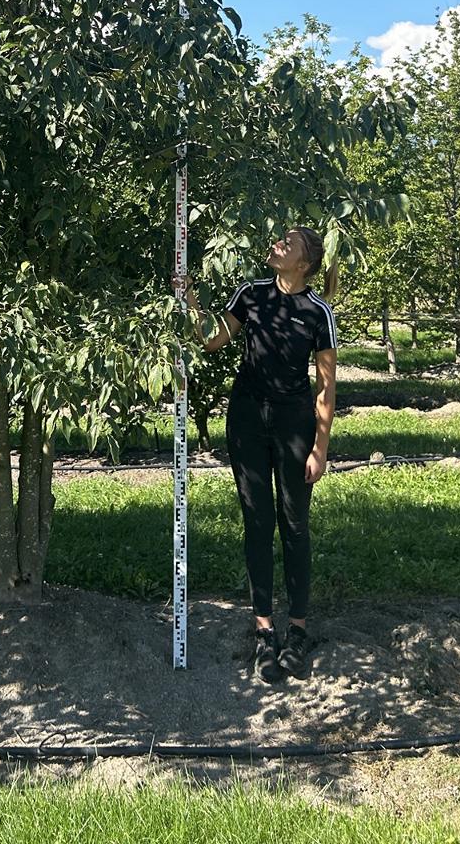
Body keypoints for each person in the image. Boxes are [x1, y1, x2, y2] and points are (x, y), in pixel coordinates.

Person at [184, 227, 337, 681]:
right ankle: (264, 630)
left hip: (294, 422)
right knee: (257, 521)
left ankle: (297, 631)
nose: (275, 245)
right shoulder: (251, 295)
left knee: (294, 524)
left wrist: (320, 449)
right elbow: (211, 339)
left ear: (304, 263)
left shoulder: (317, 312)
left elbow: (327, 386)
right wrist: (190, 301)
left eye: (286, 244)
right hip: (248, 417)